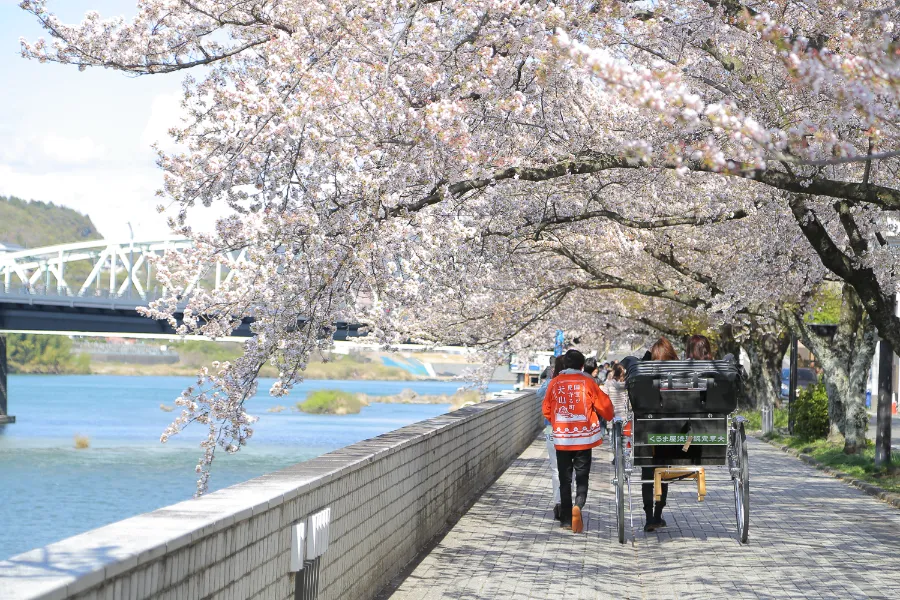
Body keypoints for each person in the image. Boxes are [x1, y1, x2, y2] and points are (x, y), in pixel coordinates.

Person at [542, 349, 614, 533]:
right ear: (582, 365)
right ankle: (578, 506)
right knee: (582, 478)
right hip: (584, 439)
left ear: (565, 365)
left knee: (564, 479)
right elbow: (605, 408)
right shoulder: (588, 381)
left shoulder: (555, 383)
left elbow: (547, 409)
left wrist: (558, 423)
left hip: (562, 439)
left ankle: (566, 519)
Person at [642, 337, 678, 532]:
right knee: (662, 472)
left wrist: (647, 357)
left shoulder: (645, 375)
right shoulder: (683, 374)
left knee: (648, 473)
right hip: (674, 435)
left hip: (648, 431)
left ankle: (649, 518)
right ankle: (658, 515)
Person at [535, 355, 567, 521]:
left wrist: (548, 378)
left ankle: (558, 503)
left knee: (556, 469)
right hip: (570, 430)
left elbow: (538, 394)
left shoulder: (550, 383)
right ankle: (567, 503)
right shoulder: (572, 383)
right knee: (569, 469)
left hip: (551, 428)